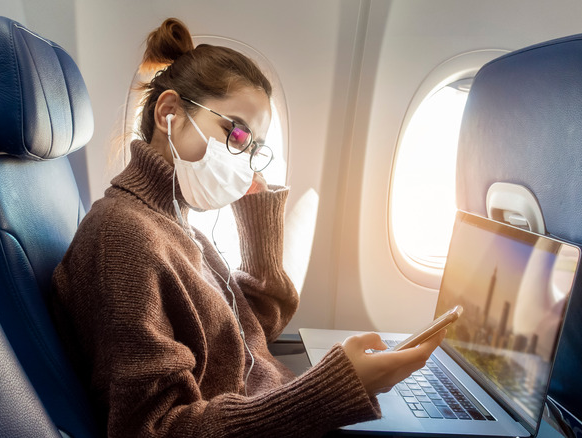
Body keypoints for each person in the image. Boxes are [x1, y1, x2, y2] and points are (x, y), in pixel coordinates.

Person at [49, 17, 446, 438]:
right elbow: (154, 430)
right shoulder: (124, 236)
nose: (243, 156)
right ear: (170, 112)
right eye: (236, 132)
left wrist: (257, 212)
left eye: (253, 146)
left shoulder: (178, 225)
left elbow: (245, 334)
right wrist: (334, 390)